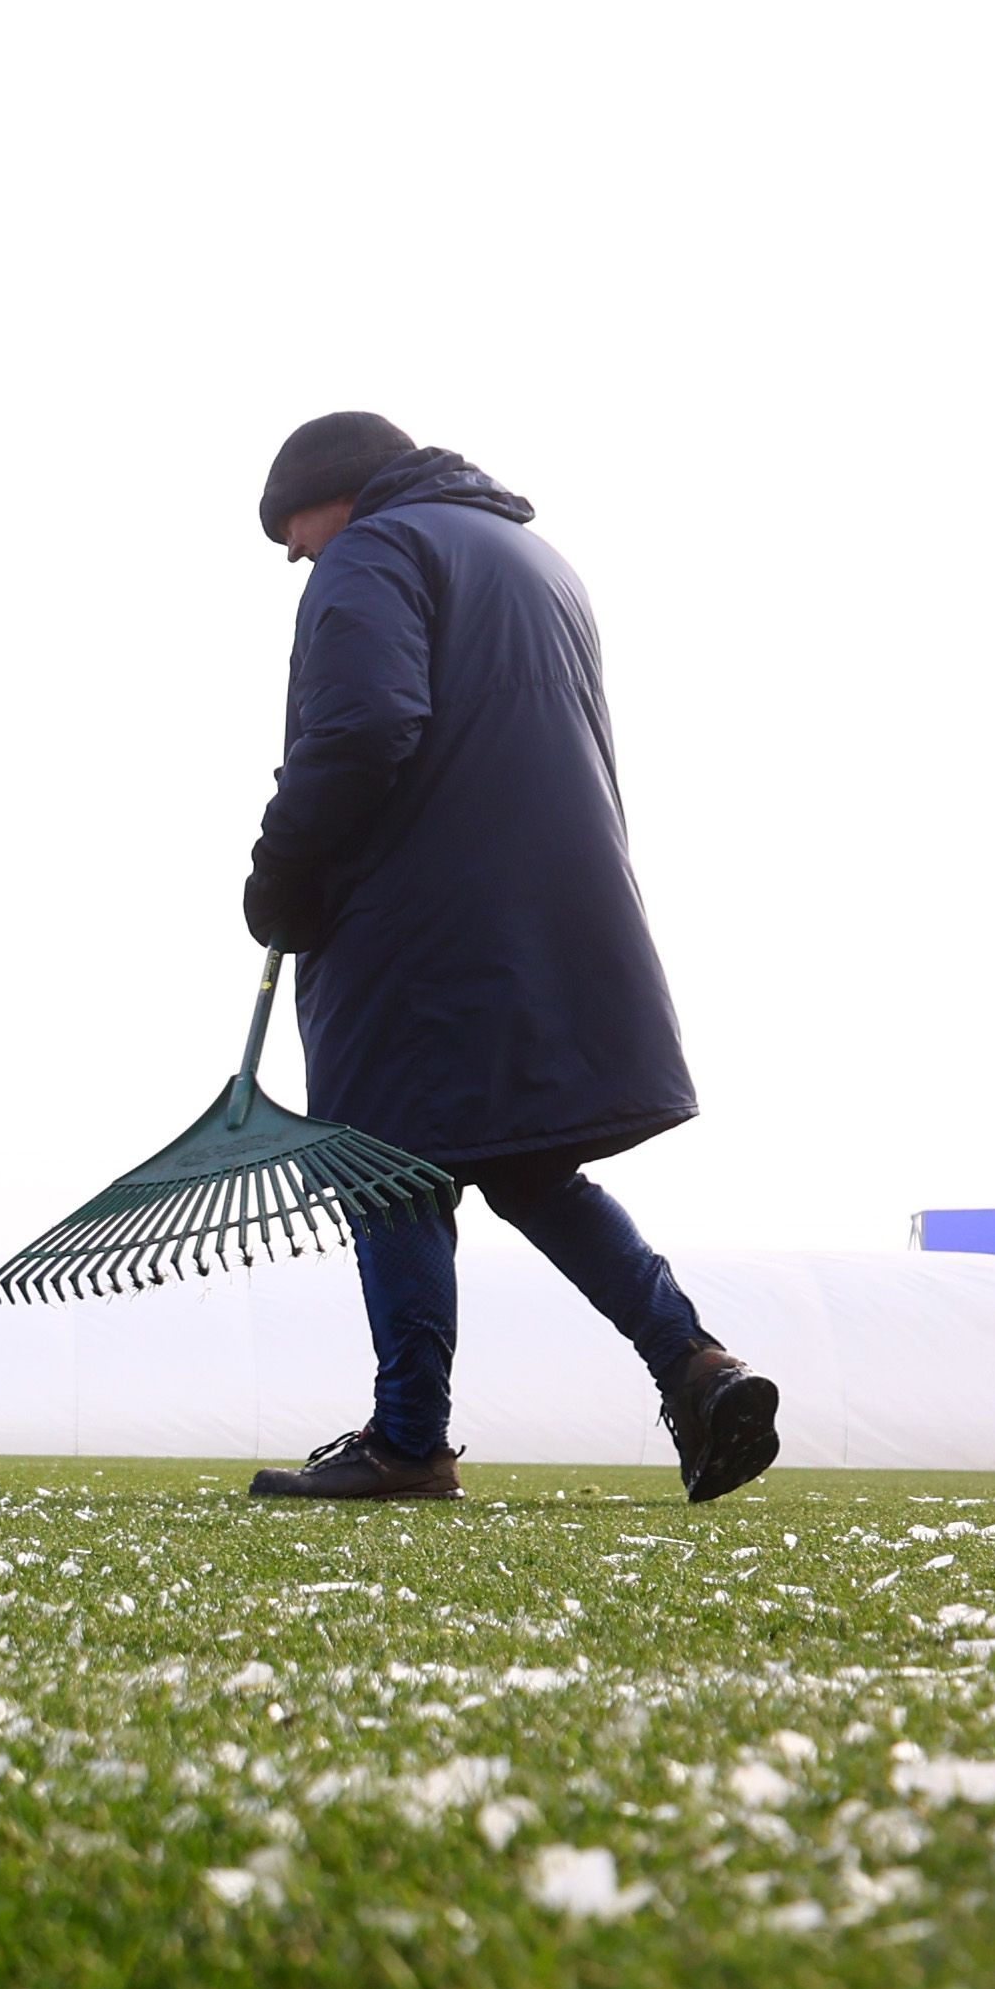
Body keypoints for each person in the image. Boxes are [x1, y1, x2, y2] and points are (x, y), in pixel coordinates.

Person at [235, 410, 781, 1505]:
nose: (298, 558)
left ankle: (406, 1441)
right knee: (525, 1160)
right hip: (544, 910)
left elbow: (359, 728)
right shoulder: (535, 557)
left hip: (417, 919)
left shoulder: (375, 549)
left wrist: (282, 870)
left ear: (336, 495)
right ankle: (695, 1362)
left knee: (387, 1163)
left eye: (294, 536)